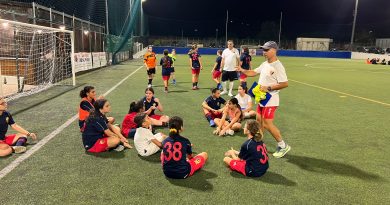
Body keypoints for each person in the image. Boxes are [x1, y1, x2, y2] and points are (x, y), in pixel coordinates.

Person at [237, 41, 291, 158]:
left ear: (274, 50)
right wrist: (242, 70)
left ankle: (283, 145)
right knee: (259, 121)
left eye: (266, 50)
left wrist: (268, 87)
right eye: (263, 50)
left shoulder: (278, 66)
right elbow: (253, 72)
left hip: (271, 98)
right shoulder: (265, 64)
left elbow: (285, 83)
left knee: (267, 123)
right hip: (262, 98)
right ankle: (259, 143)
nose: (264, 52)